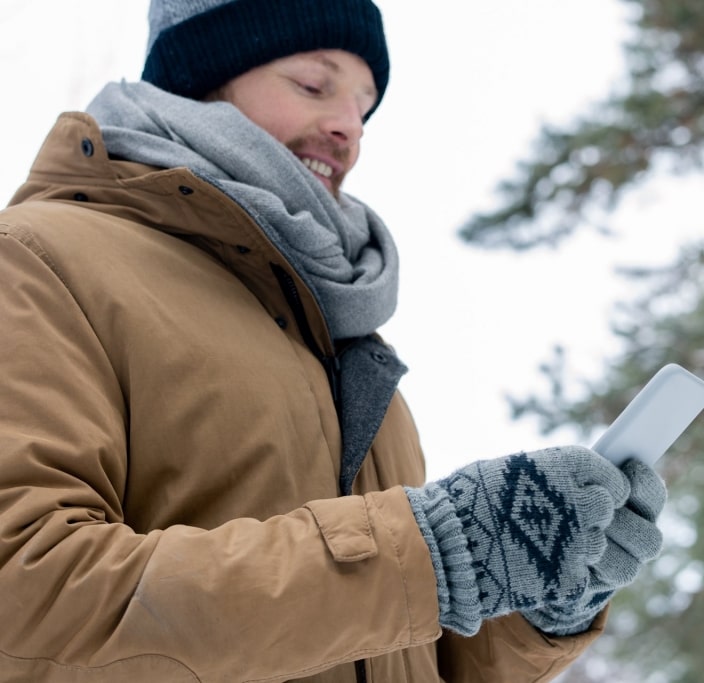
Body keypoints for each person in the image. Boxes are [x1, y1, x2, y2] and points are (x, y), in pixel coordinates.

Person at [0, 1, 667, 681]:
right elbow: (28, 598)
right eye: (314, 86)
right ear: (201, 76)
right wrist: (431, 554)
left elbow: (388, 648)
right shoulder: (40, 262)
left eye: (364, 103)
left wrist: (531, 599)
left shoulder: (336, 331)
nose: (348, 126)